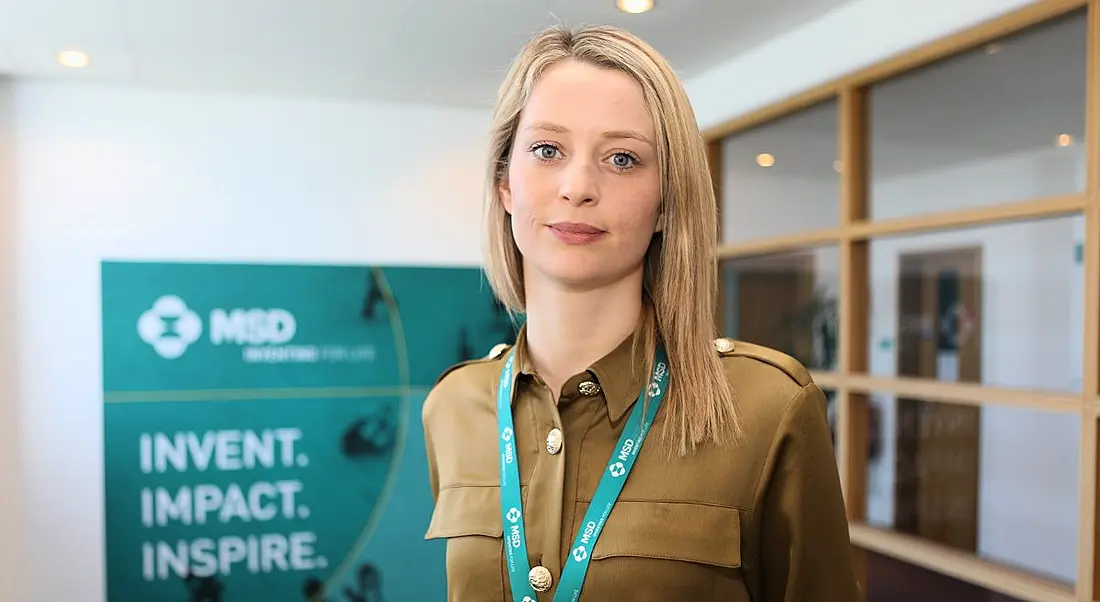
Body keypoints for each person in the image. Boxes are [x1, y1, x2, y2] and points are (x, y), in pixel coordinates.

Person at [422, 23, 862, 602]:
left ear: (665, 202)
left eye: (623, 158)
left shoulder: (767, 408)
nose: (578, 186)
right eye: (547, 150)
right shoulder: (453, 406)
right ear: (506, 183)